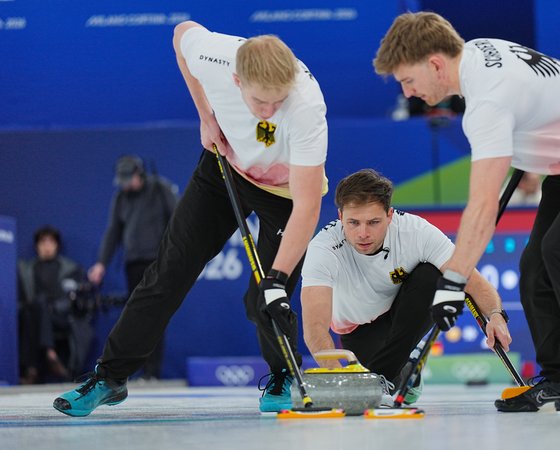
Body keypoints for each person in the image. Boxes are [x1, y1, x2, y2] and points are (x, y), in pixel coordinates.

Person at [374, 12, 560, 413]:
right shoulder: (477, 50)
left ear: (435, 64)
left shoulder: (487, 101)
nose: (407, 92)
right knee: (535, 263)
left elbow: (482, 205)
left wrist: (453, 281)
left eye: (408, 80)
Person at [54, 20, 328, 417]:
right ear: (236, 80)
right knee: (168, 271)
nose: (269, 113)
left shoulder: (306, 106)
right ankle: (110, 377)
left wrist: (278, 279)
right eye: (260, 102)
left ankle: (283, 375)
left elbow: (306, 205)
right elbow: (181, 34)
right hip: (224, 167)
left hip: (284, 192)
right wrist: (205, 115)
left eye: (278, 102)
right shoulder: (214, 55)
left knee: (264, 298)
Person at [301, 169, 512, 405]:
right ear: (340, 216)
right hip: (356, 328)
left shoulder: (415, 232)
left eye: (373, 222)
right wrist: (339, 378)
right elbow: (315, 327)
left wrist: (496, 315)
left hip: (404, 313)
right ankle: (407, 368)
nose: (363, 233)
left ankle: (384, 373)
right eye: (353, 222)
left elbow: (471, 279)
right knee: (395, 381)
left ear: (390, 215)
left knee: (435, 275)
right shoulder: (323, 248)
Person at [88, 154, 179, 380]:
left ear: (139, 173)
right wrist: (101, 263)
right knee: (136, 318)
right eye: (123, 180)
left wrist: (175, 256)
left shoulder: (160, 189)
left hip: (158, 262)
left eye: (129, 179)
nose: (126, 184)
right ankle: (134, 371)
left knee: (155, 316)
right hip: (133, 264)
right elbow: (113, 233)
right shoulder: (121, 198)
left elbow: (178, 221)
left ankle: (152, 372)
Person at [18, 226, 91, 383]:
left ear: (57, 245)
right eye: (43, 242)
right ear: (37, 246)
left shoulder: (70, 268)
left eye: (50, 241)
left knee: (41, 305)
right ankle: (50, 353)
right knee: (35, 307)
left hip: (61, 316)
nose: (47, 246)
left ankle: (32, 369)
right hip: (34, 314)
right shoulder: (26, 269)